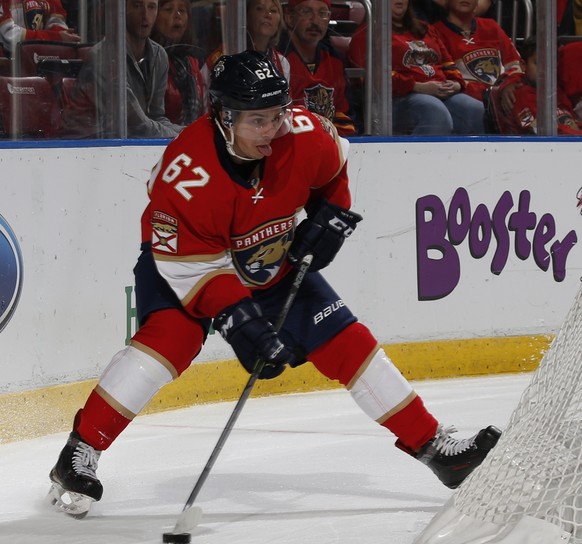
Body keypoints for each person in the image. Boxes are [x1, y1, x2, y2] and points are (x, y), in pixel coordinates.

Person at [47, 50, 501, 519]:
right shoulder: (186, 175)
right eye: (258, 121)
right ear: (224, 117)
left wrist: (334, 215)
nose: (273, 130)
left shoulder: (300, 133)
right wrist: (242, 325)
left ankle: (435, 448)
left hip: (267, 254)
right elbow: (193, 269)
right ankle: (80, 453)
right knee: (170, 340)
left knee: (347, 341)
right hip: (184, 262)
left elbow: (336, 166)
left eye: (277, 116)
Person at [347, 0, 485, 135]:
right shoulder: (366, 34)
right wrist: (417, 86)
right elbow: (374, 77)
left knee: (475, 109)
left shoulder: (426, 28)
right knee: (434, 112)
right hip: (395, 99)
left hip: (440, 91)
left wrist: (456, 83)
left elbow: (448, 63)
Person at [63, 0, 183, 139]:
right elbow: (136, 125)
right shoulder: (103, 58)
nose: (145, 15)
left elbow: (156, 117)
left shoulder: (159, 55)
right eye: (137, 6)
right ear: (123, 10)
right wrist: (183, 137)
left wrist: (189, 132)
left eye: (151, 7)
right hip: (87, 145)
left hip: (126, 141)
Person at [279, 0, 357, 136]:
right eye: (306, 12)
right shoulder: (278, 59)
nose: (315, 21)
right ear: (290, 18)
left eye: (322, 13)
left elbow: (345, 115)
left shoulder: (335, 60)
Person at [433, 0, 522, 103]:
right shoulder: (435, 32)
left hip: (502, 95)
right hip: (466, 98)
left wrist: (509, 85)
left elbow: (515, 65)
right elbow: (446, 80)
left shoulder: (491, 26)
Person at [490, 36, 582, 135]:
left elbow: (573, 122)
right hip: (540, 148)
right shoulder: (519, 95)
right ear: (523, 65)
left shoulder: (557, 92)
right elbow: (538, 129)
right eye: (537, 63)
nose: (544, 70)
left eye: (550, 64)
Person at [203, 0, 290, 88]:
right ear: (246, 17)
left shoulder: (282, 63)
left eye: (273, 10)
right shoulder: (224, 56)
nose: (268, 15)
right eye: (259, 8)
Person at [150, 0, 205, 126]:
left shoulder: (193, 63)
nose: (177, 15)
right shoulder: (148, 60)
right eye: (169, 9)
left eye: (182, 10)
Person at [0, 0, 80, 54]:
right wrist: (57, 37)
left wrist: (61, 36)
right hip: (8, 64)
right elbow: (11, 38)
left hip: (42, 59)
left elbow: (59, 29)